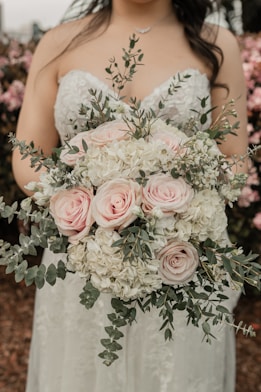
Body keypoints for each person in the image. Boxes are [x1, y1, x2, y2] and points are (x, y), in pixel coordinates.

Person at [12, 1, 249, 391]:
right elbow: (26, 157)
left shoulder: (216, 43)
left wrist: (171, 212)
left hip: (182, 260)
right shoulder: (59, 42)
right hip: (82, 257)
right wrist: (88, 209)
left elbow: (234, 161)